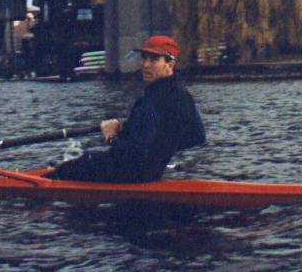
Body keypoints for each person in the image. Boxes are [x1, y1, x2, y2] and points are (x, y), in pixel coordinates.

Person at [47, 35, 205, 183]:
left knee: (71, 167)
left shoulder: (153, 100)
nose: (145, 64)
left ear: (170, 64)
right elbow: (197, 136)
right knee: (88, 160)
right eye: (144, 57)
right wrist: (155, 145)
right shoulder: (183, 94)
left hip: (131, 173)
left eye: (154, 59)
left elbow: (132, 152)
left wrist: (111, 136)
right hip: (151, 171)